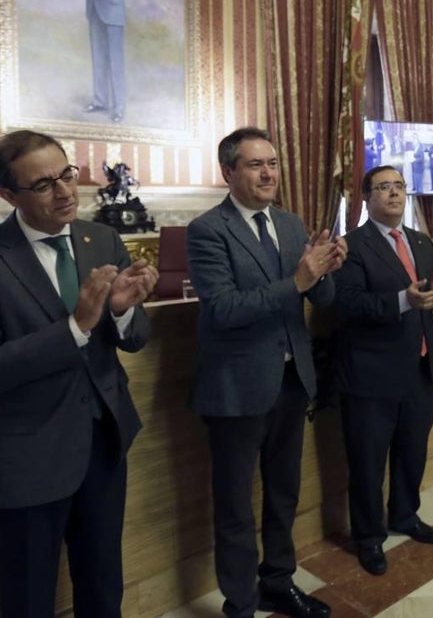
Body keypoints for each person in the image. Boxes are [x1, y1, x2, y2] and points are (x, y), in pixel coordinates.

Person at [0, 130, 157, 618]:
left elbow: (136, 338)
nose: (63, 192)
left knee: (103, 586)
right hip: (26, 456)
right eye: (42, 185)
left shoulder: (99, 237)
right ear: (7, 195)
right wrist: (77, 325)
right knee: (29, 596)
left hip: (102, 444)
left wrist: (121, 311)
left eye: (67, 175)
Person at [186, 127, 346, 618]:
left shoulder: (293, 224)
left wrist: (324, 273)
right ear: (229, 172)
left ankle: (278, 581)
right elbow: (225, 309)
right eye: (255, 164)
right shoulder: (209, 230)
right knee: (235, 504)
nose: (268, 172)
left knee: (283, 493)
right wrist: (299, 278)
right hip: (236, 387)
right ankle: (241, 601)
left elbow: (321, 300)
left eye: (273, 163)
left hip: (292, 381)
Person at [334, 166, 433, 576]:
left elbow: (432, 297)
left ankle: (405, 515)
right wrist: (402, 302)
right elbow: (348, 305)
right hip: (371, 375)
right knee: (369, 463)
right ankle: (369, 537)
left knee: (412, 454)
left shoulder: (422, 241)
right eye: (383, 187)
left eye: (399, 187)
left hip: (420, 368)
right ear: (367, 199)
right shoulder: (351, 245)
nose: (394, 194)